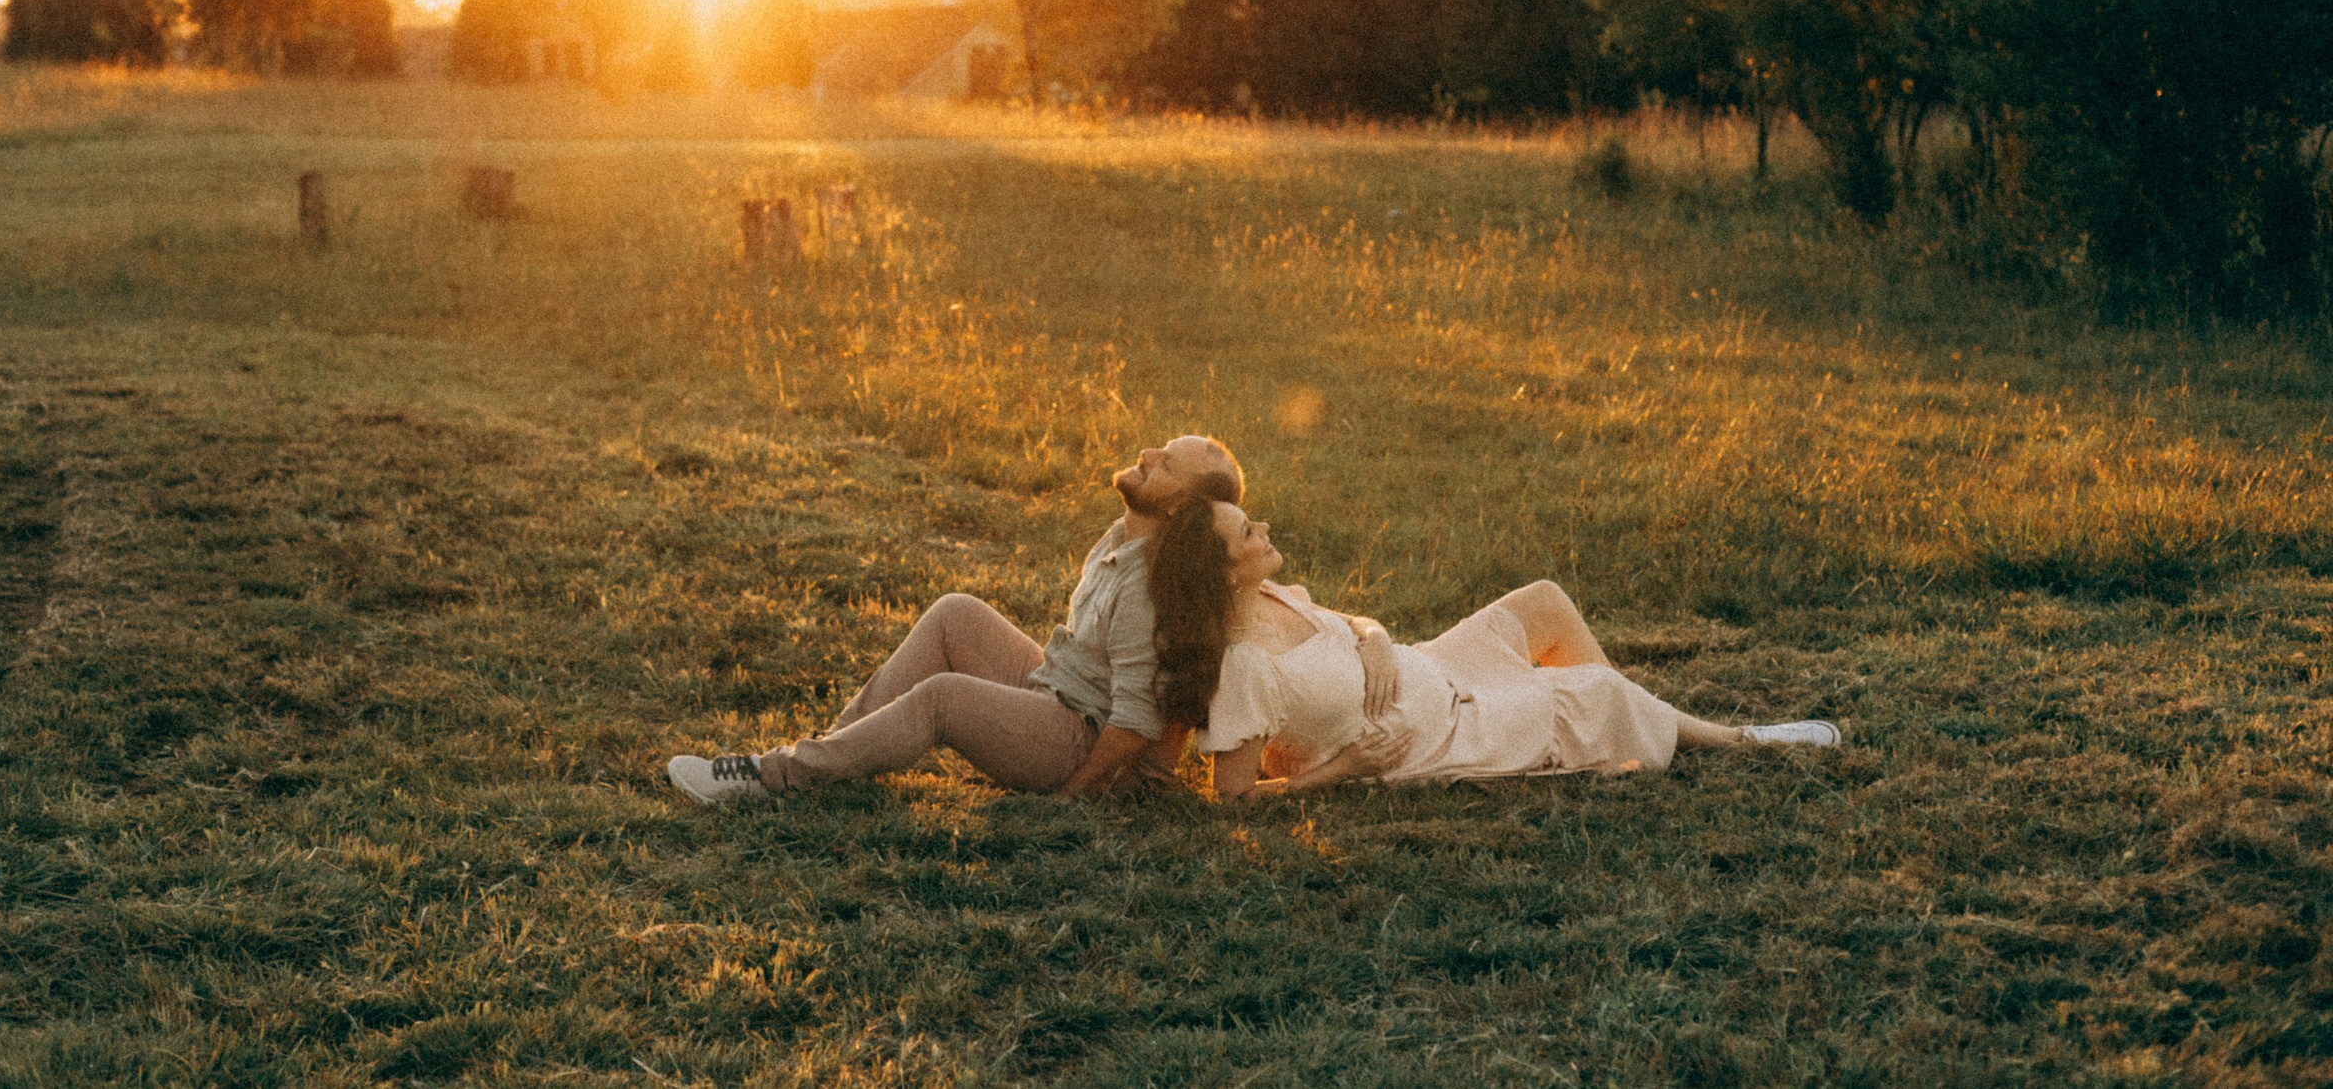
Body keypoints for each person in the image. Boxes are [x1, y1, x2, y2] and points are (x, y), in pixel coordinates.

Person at [666, 435, 1242, 805]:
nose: (1146, 454)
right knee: (955, 613)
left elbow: (1135, 722)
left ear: (1176, 509)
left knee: (943, 697)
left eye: (1167, 464)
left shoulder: (1147, 588)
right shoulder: (1124, 538)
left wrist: (1070, 798)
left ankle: (772, 778)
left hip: (1076, 735)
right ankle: (832, 753)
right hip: (1055, 689)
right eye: (1161, 447)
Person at [1147, 497, 1839, 801]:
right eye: (1246, 532)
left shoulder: (1275, 597)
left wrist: (1377, 636)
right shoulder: (1243, 667)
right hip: (1440, 737)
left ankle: (1627, 718)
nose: (1262, 525)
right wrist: (1342, 768)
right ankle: (1743, 740)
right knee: (1596, 690)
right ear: (1223, 571)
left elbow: (1349, 621)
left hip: (1437, 665)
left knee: (1542, 598)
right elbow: (1231, 797)